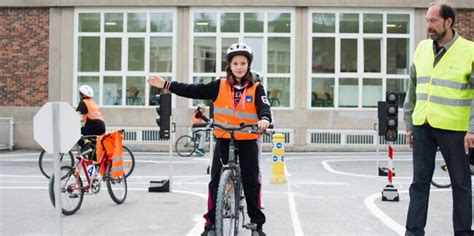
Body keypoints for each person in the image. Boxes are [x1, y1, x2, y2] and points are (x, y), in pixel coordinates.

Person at [148, 42, 271, 236]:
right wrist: (165, 84)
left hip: (247, 138)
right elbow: (193, 90)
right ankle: (211, 224)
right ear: (229, 65)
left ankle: (257, 224)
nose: (239, 66)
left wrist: (264, 119)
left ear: (248, 65)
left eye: (243, 63)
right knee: (215, 182)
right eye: (235, 63)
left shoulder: (256, 88)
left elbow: (264, 108)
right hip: (223, 137)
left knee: (251, 181)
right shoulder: (218, 85)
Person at [403, 3, 474, 236]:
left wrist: (472, 129)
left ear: (449, 22)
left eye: (433, 21)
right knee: (418, 183)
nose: (428, 26)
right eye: (426, 20)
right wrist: (409, 124)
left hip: (455, 129)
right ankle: (413, 232)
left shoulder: (469, 51)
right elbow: (412, 89)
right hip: (422, 125)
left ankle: (463, 233)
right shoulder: (422, 48)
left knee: (461, 185)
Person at [76, 85, 106, 155]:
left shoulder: (83, 102)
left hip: (94, 126)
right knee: (92, 148)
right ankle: (92, 160)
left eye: (80, 94)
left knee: (75, 133)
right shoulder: (92, 102)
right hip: (101, 126)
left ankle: (86, 146)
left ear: (82, 95)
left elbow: (76, 116)